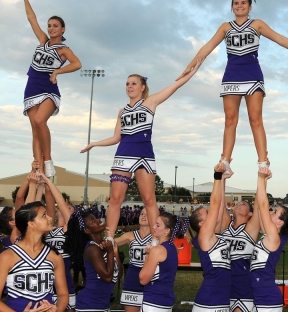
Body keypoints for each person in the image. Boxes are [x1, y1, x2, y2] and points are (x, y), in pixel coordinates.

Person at [180, 0, 288, 174]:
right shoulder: (225, 27)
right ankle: (225, 161)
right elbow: (207, 47)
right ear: (232, 7)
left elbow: (280, 39)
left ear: (249, 7)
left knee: (255, 119)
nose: (239, 6)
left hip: (252, 74)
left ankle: (263, 162)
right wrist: (189, 67)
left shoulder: (257, 24)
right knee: (229, 120)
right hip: (232, 75)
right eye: (236, 3)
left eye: (243, 3)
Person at [81, 59, 203, 243]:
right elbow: (116, 137)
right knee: (115, 199)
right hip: (123, 153)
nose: (129, 87)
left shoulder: (151, 102)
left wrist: (193, 71)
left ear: (143, 87)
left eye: (134, 83)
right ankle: (109, 238)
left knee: (149, 199)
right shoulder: (122, 111)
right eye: (127, 84)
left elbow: (176, 85)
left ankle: (156, 239)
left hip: (145, 154)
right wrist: (94, 143)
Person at [18, 0, 82, 177]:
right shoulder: (43, 40)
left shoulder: (64, 49)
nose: (51, 28)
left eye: (55, 26)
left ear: (63, 29)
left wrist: (57, 71)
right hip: (31, 86)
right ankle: (38, 167)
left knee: (40, 120)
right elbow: (31, 19)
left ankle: (48, 160)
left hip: (48, 88)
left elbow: (77, 64)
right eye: (49, 25)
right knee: (34, 129)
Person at [0, 201, 68, 312]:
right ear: (31, 224)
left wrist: (57, 310)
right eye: (44, 215)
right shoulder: (7, 257)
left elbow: (63, 294)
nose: (50, 218)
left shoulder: (55, 256)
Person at [251, 166, 288, 312]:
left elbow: (263, 206)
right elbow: (259, 207)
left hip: (266, 299)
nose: (271, 212)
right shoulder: (271, 235)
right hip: (260, 296)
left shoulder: (274, 237)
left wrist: (261, 178)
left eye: (275, 212)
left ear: (280, 222)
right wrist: (264, 181)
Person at [189, 163, 232, 312]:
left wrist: (223, 179)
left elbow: (219, 205)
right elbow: (214, 203)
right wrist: (217, 176)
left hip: (222, 299)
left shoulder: (215, 235)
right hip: (210, 300)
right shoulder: (205, 236)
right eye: (206, 213)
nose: (211, 213)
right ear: (201, 223)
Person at [66, 210, 121, 312]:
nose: (98, 220)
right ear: (87, 230)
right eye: (93, 221)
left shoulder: (105, 245)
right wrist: (110, 252)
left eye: (95, 218)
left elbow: (118, 275)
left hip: (102, 304)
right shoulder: (92, 249)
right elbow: (108, 278)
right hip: (90, 304)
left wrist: (115, 252)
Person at [38, 172, 77, 311]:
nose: (65, 208)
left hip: (63, 272)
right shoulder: (48, 229)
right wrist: (44, 183)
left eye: (70, 208)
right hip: (46, 272)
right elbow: (49, 200)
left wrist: (62, 205)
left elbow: (60, 202)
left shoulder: (71, 230)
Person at [219, 183, 261, 312]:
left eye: (243, 204)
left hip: (242, 283)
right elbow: (219, 202)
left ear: (249, 214)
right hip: (221, 282)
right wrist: (222, 178)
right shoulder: (226, 225)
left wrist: (262, 177)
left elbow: (259, 204)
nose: (238, 204)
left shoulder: (250, 229)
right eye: (237, 204)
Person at [139, 212, 186, 312]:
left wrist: (147, 255)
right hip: (166, 301)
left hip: (153, 302)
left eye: (158, 225)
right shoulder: (173, 247)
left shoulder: (158, 251)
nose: (153, 226)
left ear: (167, 231)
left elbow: (143, 279)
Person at [116, 206, 158, 312]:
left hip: (152, 279)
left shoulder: (158, 238)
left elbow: (172, 250)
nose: (143, 216)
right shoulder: (129, 235)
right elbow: (109, 243)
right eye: (142, 213)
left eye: (147, 214)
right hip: (132, 278)